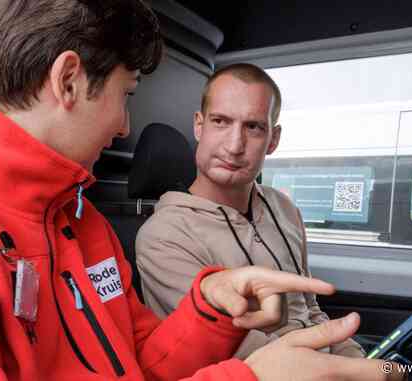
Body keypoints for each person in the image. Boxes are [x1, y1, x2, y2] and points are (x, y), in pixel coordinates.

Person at [0, 1, 401, 380]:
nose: (123, 125)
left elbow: (139, 361)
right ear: (69, 80)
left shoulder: (77, 215)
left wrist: (210, 309)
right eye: (127, 94)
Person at [136, 63, 366, 359]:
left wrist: (358, 358)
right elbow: (240, 351)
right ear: (198, 125)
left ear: (273, 139)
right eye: (220, 121)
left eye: (253, 127)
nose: (234, 146)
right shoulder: (164, 236)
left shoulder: (284, 209)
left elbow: (310, 311)